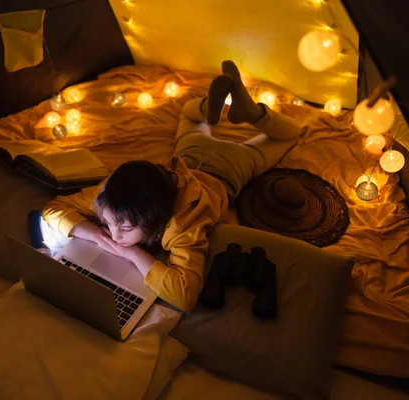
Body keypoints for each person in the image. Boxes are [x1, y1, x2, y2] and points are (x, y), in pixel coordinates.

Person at [41, 60, 305, 312]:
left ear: (154, 218)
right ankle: (226, 111)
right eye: (108, 224)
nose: (114, 235)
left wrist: (133, 254)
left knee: (290, 134)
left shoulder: (182, 224)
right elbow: (53, 209)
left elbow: (185, 296)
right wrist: (96, 234)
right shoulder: (114, 195)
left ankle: (246, 112)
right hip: (189, 155)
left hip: (230, 168)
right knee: (189, 118)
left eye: (124, 229)